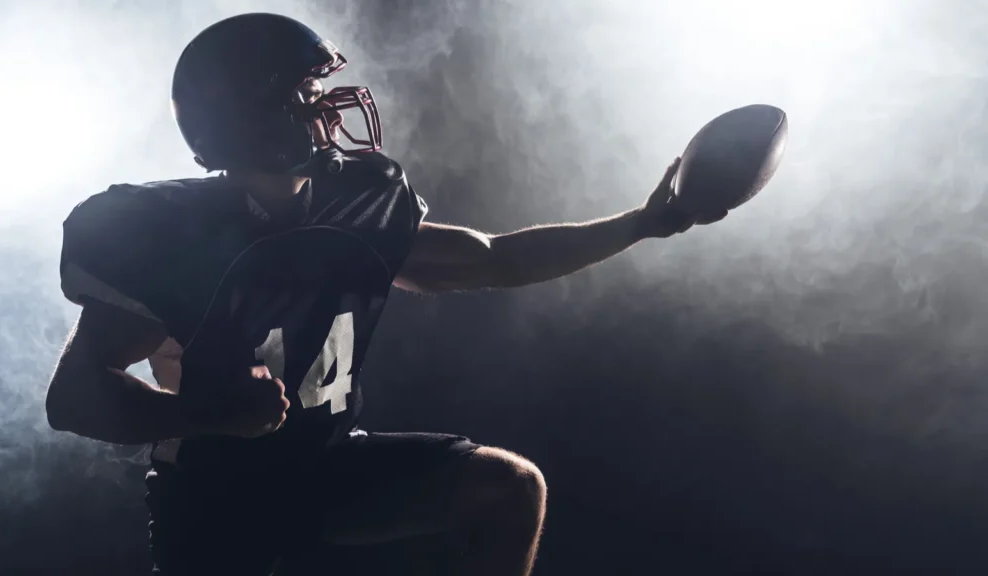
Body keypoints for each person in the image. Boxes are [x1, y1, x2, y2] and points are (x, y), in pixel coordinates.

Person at [45, 12, 725, 576]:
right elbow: (73, 398)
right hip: (216, 497)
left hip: (322, 464)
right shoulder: (174, 236)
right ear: (250, 115)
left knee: (509, 489)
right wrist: (201, 414)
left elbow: (493, 257)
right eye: (302, 95)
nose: (327, 106)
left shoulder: (360, 204)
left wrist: (641, 223)